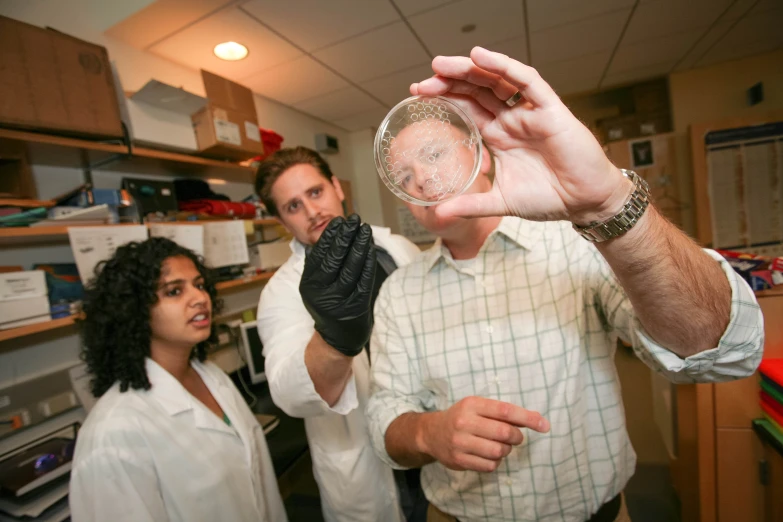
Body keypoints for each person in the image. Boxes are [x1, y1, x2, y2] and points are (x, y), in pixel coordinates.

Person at [366, 47, 764, 522]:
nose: (426, 181)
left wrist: (607, 205)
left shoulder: (575, 243)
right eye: (405, 176)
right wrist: (427, 434)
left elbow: (725, 351)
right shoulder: (399, 293)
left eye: (434, 154)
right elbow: (384, 418)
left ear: (481, 156)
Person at [255, 147, 427, 522]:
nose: (312, 211)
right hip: (367, 465)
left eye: (315, 193)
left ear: (336, 186)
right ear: (282, 220)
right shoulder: (281, 292)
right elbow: (289, 393)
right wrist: (333, 336)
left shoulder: (397, 248)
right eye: (293, 206)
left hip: (429, 430)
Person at [70, 238, 286, 522]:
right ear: (134, 311)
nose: (199, 298)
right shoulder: (113, 433)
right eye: (174, 291)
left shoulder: (211, 376)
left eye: (199, 285)